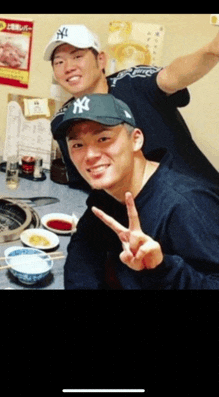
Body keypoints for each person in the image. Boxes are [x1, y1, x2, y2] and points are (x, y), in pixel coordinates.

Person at [52, 93, 219, 290]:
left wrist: (161, 267)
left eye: (103, 138)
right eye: (78, 145)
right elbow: (85, 249)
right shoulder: (109, 189)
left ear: (136, 140)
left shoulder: (185, 204)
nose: (90, 155)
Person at [45, 24, 219, 186]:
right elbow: (89, 181)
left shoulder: (133, 82)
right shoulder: (64, 119)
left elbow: (172, 76)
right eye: (59, 62)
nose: (68, 68)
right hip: (135, 210)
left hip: (200, 198)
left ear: (101, 59)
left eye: (77, 56)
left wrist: (211, 50)